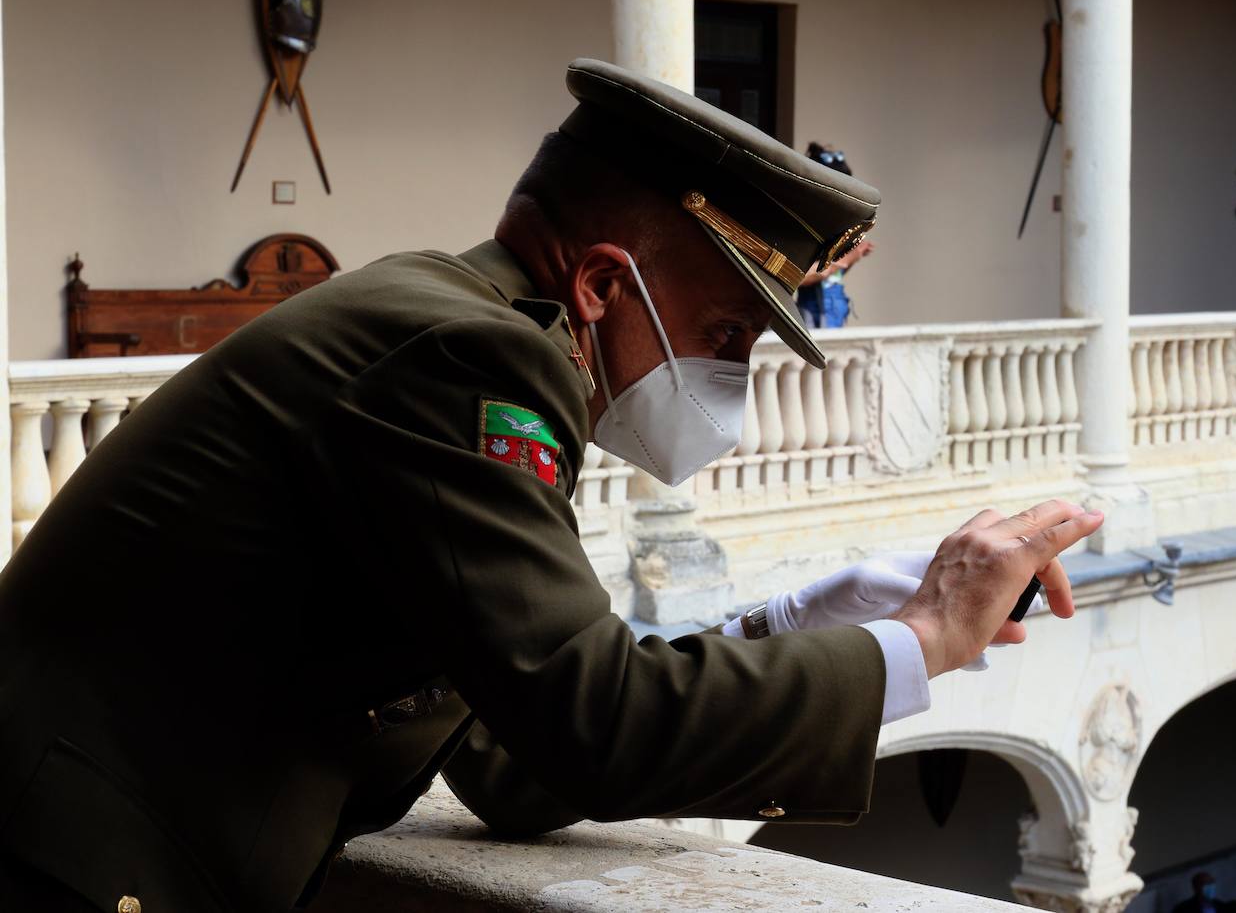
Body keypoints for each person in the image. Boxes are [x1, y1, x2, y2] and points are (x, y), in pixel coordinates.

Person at [0, 59, 1102, 912]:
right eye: (726, 332)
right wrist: (928, 636)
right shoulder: (476, 359)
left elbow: (512, 748)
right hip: (71, 866)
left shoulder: (453, 322)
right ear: (600, 281)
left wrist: (803, 618)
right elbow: (595, 727)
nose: (731, 377)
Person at [796, 142, 874, 328]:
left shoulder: (837, 225)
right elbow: (799, 278)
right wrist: (846, 260)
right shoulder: (808, 226)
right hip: (813, 313)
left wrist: (854, 257)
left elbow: (833, 275)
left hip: (836, 307)